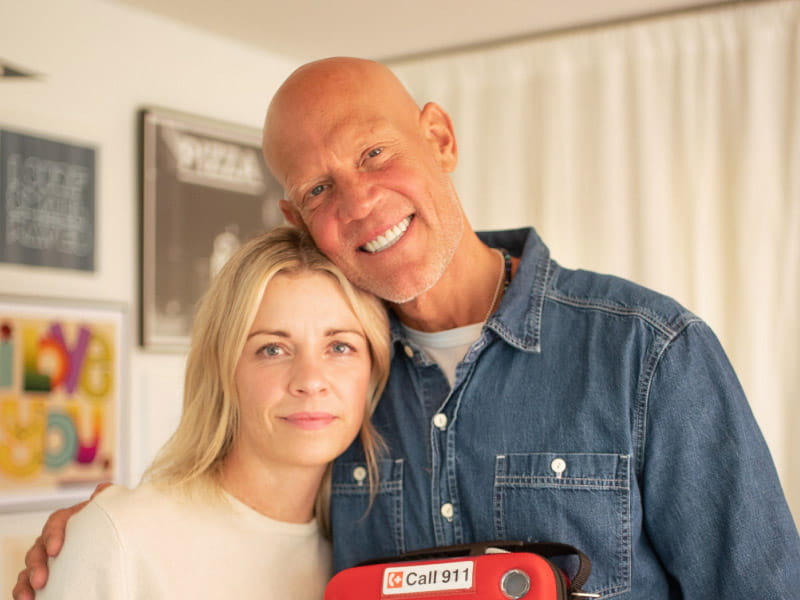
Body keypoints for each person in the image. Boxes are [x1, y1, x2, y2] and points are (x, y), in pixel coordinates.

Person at [15, 57, 800, 599]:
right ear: (297, 218)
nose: (358, 202)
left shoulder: (649, 351)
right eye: (321, 186)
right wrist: (102, 537)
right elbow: (237, 507)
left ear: (441, 137)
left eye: (374, 152)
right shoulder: (339, 392)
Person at [30, 225, 390, 599]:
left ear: (373, 367)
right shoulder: (120, 537)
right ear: (223, 369)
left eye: (340, 347)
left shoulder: (367, 556)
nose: (311, 381)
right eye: (273, 349)